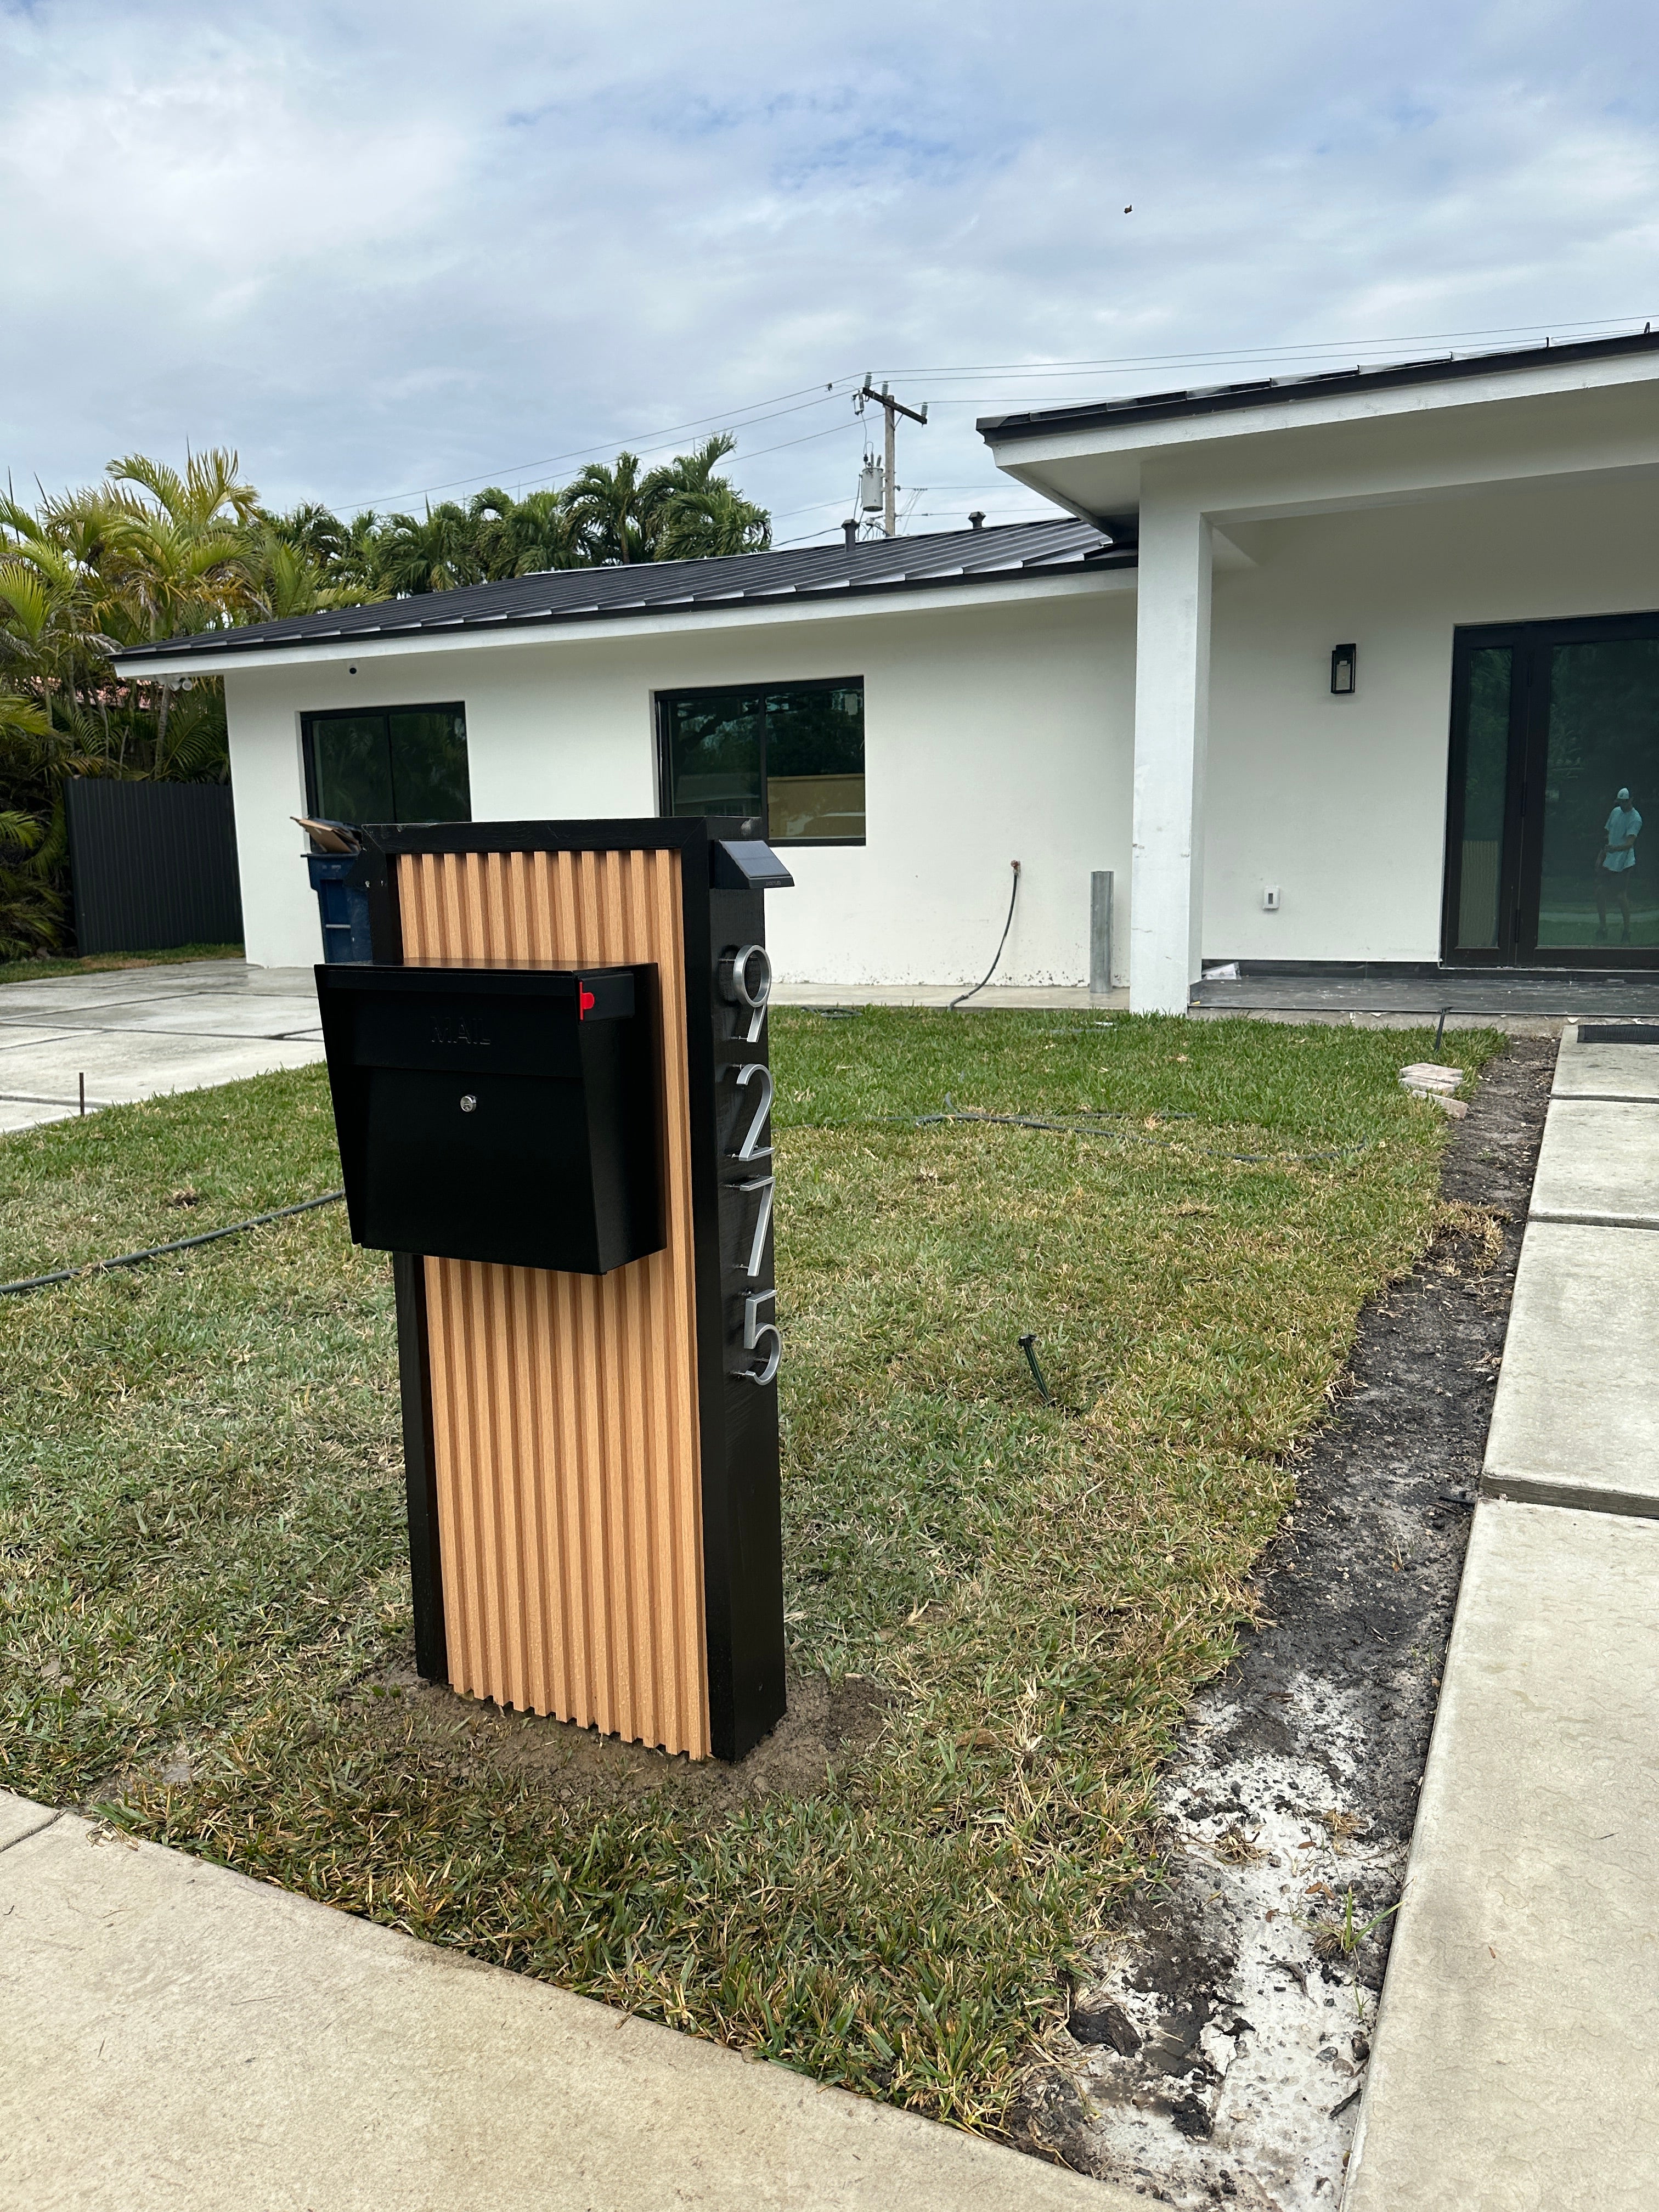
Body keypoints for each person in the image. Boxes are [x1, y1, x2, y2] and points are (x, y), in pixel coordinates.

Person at [1595, 786, 1643, 944]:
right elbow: (1609, 835)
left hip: (1624, 862)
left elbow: (1630, 843)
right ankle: (1603, 928)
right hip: (1610, 860)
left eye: (1625, 802)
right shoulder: (1615, 812)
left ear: (1631, 800)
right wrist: (1603, 854)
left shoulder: (1635, 818)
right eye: (1620, 802)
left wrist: (1615, 849)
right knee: (1600, 892)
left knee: (1620, 896)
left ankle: (1627, 931)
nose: (1622, 804)